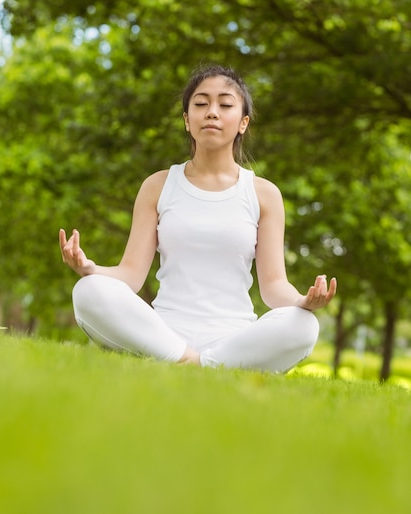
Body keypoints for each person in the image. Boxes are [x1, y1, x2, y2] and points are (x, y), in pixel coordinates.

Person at [59, 64, 337, 372]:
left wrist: (303, 301)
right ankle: (189, 359)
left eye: (225, 104)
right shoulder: (158, 185)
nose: (212, 112)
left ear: (243, 122)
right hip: (163, 331)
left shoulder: (264, 194)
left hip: (235, 338)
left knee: (304, 325)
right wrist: (91, 268)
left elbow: (273, 287)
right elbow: (131, 275)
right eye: (201, 104)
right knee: (87, 290)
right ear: (187, 121)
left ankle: (203, 363)